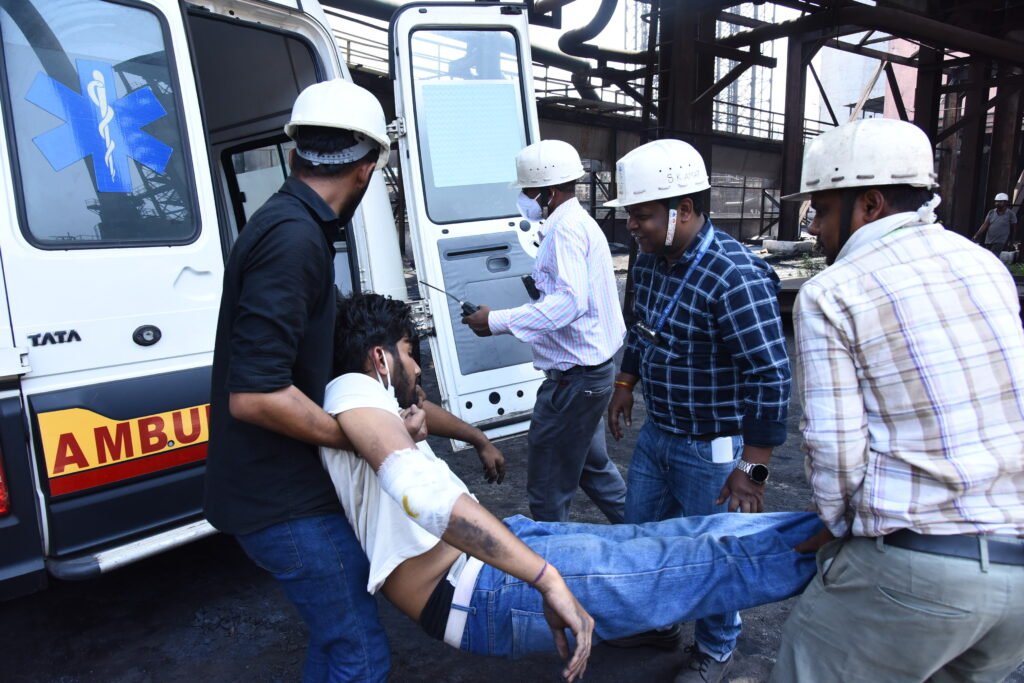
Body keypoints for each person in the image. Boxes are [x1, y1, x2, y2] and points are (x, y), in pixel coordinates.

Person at [325, 292, 823, 679]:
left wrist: (477, 437)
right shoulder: (353, 392)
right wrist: (544, 577)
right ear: (380, 359)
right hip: (477, 591)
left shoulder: (370, 402)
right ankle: (836, 546)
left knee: (669, 540)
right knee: (683, 564)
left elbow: (420, 412)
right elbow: (421, 494)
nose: (418, 368)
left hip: (492, 560)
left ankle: (829, 531)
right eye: (411, 354)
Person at [774, 117, 1024, 682]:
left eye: (818, 209)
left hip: (917, 572)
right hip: (1017, 578)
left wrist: (838, 531)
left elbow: (835, 449)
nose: (813, 228)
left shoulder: (834, 289)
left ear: (868, 203)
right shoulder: (984, 265)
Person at [204, 79, 415, 682]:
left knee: (335, 641)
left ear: (297, 152)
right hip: (282, 503)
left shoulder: (286, 224)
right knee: (362, 652)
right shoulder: (296, 238)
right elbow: (257, 395)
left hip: (279, 493)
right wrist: (363, 439)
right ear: (367, 168)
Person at [605, 139, 791, 682]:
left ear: (682, 209)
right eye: (631, 216)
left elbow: (771, 376)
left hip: (712, 450)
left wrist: (751, 473)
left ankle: (715, 649)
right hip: (659, 435)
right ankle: (660, 623)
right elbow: (642, 329)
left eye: (640, 214)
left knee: (712, 554)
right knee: (642, 535)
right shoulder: (650, 261)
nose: (631, 226)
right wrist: (624, 383)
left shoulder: (734, 276)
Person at [462, 140, 627, 524]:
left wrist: (496, 321)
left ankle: (549, 569)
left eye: (526, 191)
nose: (523, 198)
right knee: (593, 470)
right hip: (592, 374)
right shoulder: (576, 223)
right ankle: (650, 534)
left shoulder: (565, 231)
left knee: (547, 488)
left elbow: (569, 303)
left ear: (547, 193)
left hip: (574, 382)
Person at [973, 191, 1018, 256]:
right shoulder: (991, 212)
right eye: (996, 201)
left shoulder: (1010, 214)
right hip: (989, 240)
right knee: (990, 256)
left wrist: (1012, 241)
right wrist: (976, 235)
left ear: (1005, 202)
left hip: (1000, 240)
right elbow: (985, 224)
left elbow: (1014, 228)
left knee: (993, 255)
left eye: (1000, 202)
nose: (997, 203)